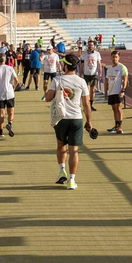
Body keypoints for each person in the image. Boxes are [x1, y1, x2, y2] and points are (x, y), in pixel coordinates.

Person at [45, 53, 93, 190]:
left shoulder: (57, 80)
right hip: (76, 118)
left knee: (61, 145)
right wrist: (89, 122)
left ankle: (62, 170)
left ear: (65, 65)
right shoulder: (81, 81)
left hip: (61, 118)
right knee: (74, 151)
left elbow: (48, 98)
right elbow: (86, 104)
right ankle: (72, 180)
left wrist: (51, 90)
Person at [0, 53, 18, 138]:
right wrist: (14, 87)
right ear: (5, 60)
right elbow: (16, 80)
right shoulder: (10, 68)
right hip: (9, 93)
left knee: (1, 113)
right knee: (11, 112)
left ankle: (1, 131)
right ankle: (9, 123)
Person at [102, 49, 130, 134]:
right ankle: (116, 125)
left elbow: (125, 80)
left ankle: (119, 127)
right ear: (111, 57)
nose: (114, 58)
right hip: (111, 91)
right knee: (114, 108)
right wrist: (106, 92)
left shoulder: (122, 67)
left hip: (118, 91)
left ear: (119, 58)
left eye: (116, 57)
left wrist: (123, 90)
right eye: (113, 57)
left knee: (118, 108)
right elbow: (106, 80)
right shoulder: (109, 69)